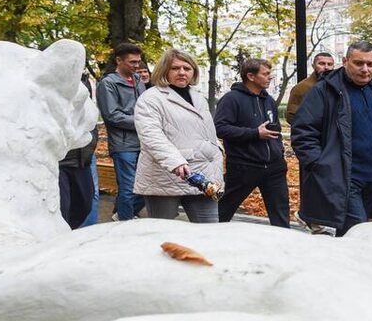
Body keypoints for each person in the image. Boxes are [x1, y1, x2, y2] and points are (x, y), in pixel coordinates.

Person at [291, 41, 372, 236]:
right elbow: (303, 132)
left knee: (365, 232)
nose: (365, 69)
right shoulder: (324, 90)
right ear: (345, 62)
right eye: (358, 63)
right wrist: (320, 165)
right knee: (356, 230)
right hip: (343, 177)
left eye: (371, 64)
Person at [132, 48, 224, 223]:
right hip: (167, 174)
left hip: (203, 175)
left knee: (210, 231)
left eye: (187, 68)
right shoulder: (150, 98)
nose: (182, 72)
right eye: (175, 68)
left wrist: (218, 150)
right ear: (164, 70)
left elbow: (204, 133)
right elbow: (150, 135)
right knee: (163, 233)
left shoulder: (198, 97)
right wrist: (175, 161)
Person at [214, 58, 289, 228]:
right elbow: (220, 128)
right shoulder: (231, 99)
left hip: (274, 168)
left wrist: (279, 152)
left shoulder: (268, 99)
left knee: (281, 217)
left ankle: (286, 249)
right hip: (244, 167)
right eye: (266, 74)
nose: (270, 77)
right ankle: (209, 242)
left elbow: (274, 128)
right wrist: (255, 134)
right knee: (223, 211)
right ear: (251, 76)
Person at [96, 42, 146, 220]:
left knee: (147, 186)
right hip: (123, 144)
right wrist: (142, 122)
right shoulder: (108, 84)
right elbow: (112, 115)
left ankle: (121, 216)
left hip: (144, 142)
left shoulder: (139, 81)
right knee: (128, 187)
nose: (137, 66)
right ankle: (126, 224)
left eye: (138, 61)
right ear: (119, 60)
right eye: (132, 62)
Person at [58, 73, 100, 229]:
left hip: (83, 158)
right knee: (62, 209)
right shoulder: (49, 85)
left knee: (84, 204)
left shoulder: (82, 82)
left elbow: (89, 117)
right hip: (61, 161)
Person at [285, 52, 335, 124]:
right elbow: (291, 116)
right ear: (313, 66)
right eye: (322, 63)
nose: (326, 67)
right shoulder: (301, 88)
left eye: (330, 64)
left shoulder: (338, 86)